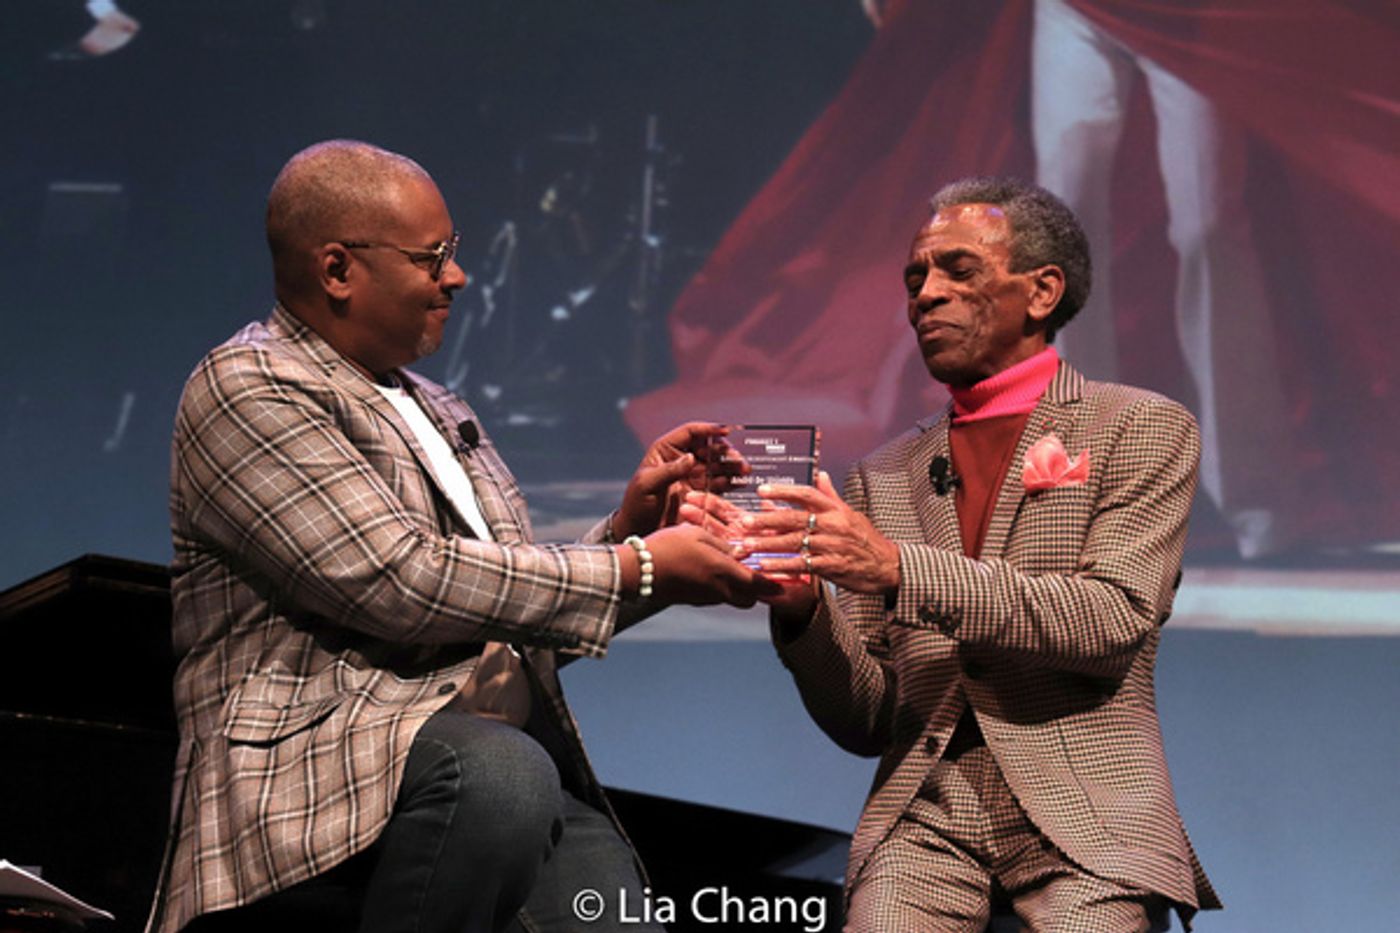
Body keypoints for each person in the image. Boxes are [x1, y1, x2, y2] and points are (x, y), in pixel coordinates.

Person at [147, 139, 767, 933]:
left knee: (605, 894)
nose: (458, 276)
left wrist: (634, 531)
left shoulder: (440, 407)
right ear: (337, 270)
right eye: (431, 256)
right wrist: (636, 566)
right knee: (502, 775)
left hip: (492, 773)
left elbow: (499, 615)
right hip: (324, 779)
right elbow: (400, 580)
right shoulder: (251, 384)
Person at [691, 178, 1221, 930]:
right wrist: (804, 609)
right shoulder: (880, 476)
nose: (925, 296)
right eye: (915, 279)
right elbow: (870, 717)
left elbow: (1111, 620)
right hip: (927, 814)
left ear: (1042, 292)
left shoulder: (1138, 426)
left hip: (1087, 814)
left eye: (957, 270)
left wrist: (898, 568)